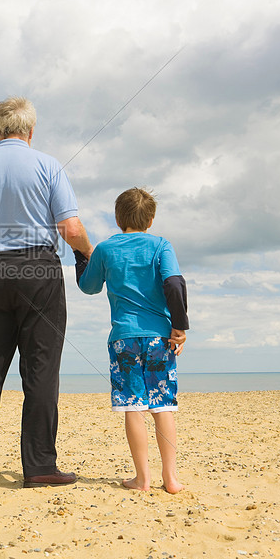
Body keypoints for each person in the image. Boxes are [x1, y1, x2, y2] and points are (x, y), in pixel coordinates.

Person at [0, 96, 94, 488]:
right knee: (41, 370)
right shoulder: (49, 165)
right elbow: (69, 227)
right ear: (30, 130)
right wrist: (88, 251)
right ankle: (39, 466)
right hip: (39, 269)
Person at [75, 187, 189, 494]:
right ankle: (171, 478)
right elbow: (175, 284)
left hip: (124, 338)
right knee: (163, 405)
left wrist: (80, 255)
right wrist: (179, 327)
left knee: (133, 406)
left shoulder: (106, 249)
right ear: (150, 219)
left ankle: (142, 478)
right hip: (159, 337)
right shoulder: (160, 245)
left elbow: (88, 287)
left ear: (117, 218)